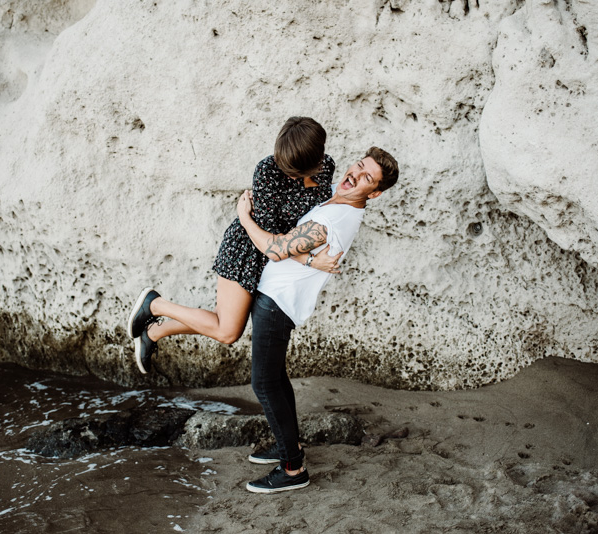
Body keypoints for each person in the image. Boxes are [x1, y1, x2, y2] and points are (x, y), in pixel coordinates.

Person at [238, 147, 399, 493]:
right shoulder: (338, 204)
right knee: (276, 380)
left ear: (375, 193)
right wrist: (311, 262)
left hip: (278, 303)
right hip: (278, 298)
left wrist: (244, 217)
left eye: (367, 177)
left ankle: (293, 470)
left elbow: (277, 249)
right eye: (358, 165)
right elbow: (297, 252)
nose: (355, 174)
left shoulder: (337, 219)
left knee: (264, 384)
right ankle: (289, 448)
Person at [127, 117, 342, 374]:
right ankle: (155, 305)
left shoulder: (326, 166)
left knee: (222, 323)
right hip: (247, 250)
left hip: (276, 259)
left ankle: (155, 330)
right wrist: (310, 260)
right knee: (227, 331)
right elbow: (270, 241)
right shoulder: (268, 171)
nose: (286, 172)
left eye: (293, 171)